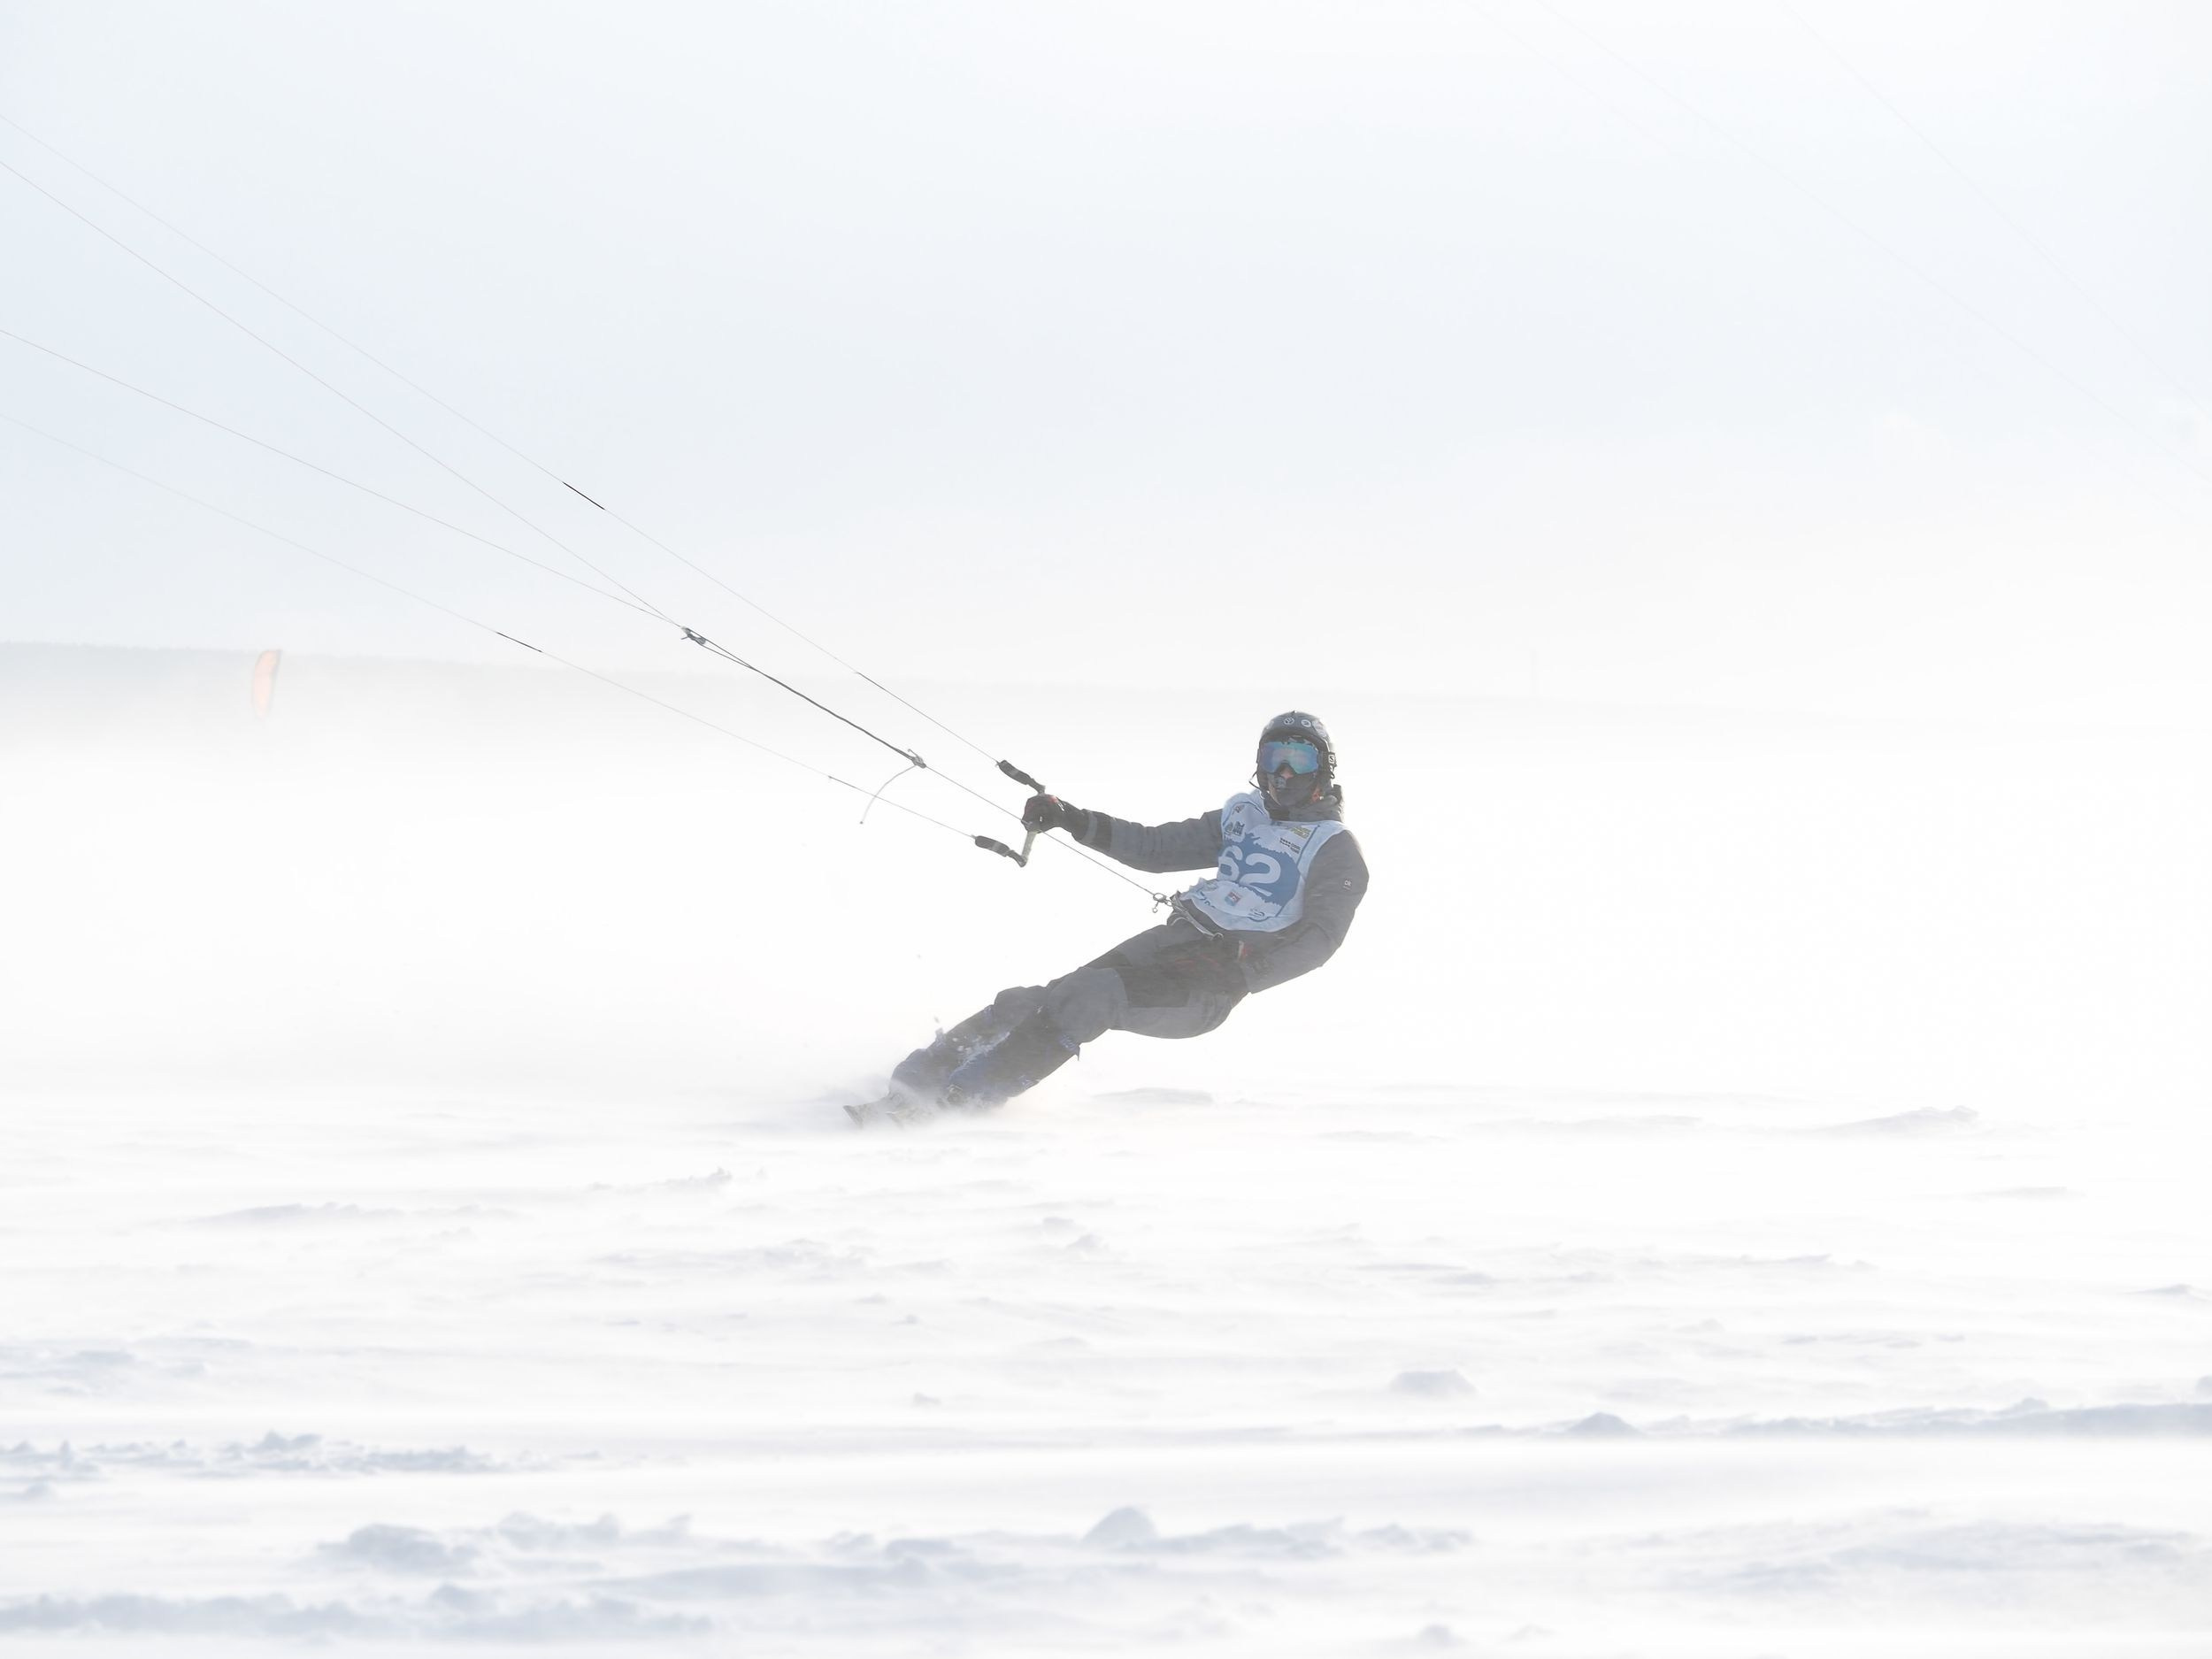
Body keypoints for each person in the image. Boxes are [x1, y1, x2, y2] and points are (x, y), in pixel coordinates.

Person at [867, 712, 1370, 1120]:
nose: (1283, 773)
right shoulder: (1242, 817)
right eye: (1273, 758)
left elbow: (1321, 939)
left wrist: (1243, 971)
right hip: (1171, 943)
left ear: (1323, 770)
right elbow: (1154, 848)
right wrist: (1071, 818)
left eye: (1298, 759)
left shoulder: (1335, 849)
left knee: (1090, 998)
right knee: (1038, 1000)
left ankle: (965, 1103)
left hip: (1211, 984)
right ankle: (919, 1081)